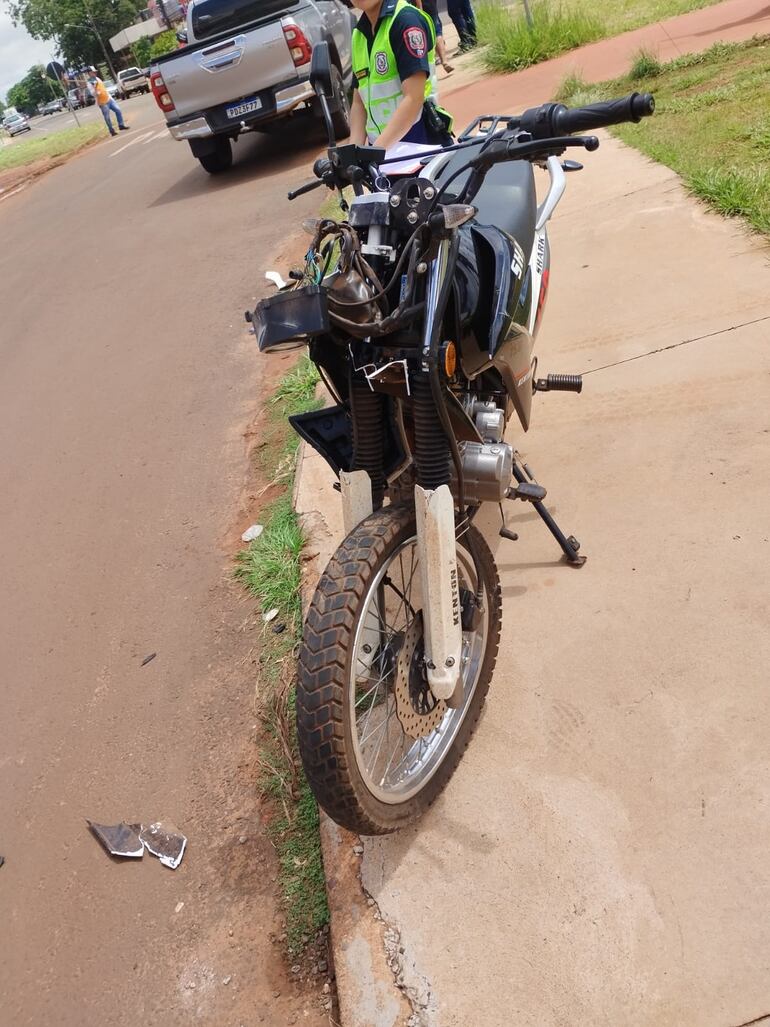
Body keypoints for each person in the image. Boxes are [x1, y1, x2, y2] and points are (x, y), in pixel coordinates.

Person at [350, 0, 453, 152]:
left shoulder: (406, 20)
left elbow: (413, 98)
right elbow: (359, 102)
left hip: (417, 145)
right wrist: (353, 154)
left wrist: (375, 154)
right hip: (382, 153)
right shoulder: (359, 34)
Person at [411, 0, 453, 74]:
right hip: (431, 6)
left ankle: (428, 64)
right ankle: (444, 61)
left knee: (425, 34)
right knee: (437, 32)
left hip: (421, 8)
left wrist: (420, 9)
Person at [87, 68, 129, 137]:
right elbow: (93, 93)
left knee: (118, 110)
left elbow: (103, 88)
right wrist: (94, 88)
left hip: (108, 98)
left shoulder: (98, 79)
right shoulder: (89, 83)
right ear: (89, 73)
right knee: (107, 117)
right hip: (102, 102)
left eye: (95, 72)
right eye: (93, 72)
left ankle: (121, 125)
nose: (95, 73)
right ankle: (111, 131)